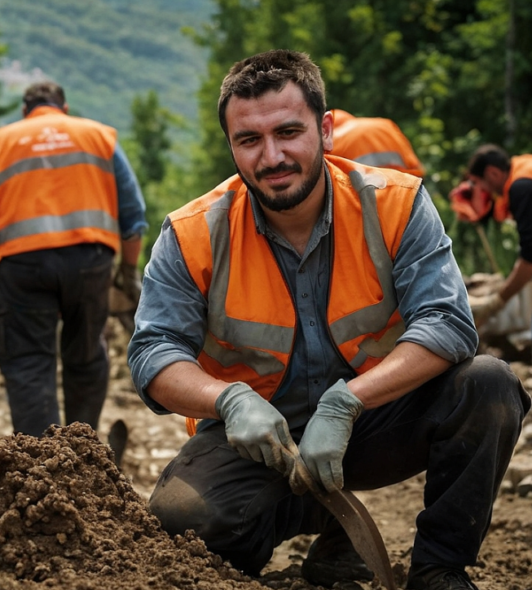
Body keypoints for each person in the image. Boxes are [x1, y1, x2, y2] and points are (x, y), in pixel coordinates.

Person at [127, 50, 528, 590]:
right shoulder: (193, 233)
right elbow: (154, 354)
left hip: (372, 418)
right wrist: (229, 399)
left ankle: (439, 568)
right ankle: (320, 518)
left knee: (489, 385)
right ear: (232, 146)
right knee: (181, 524)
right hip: (258, 437)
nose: (272, 156)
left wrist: (347, 402)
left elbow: (448, 323)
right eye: (249, 140)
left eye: (289, 132)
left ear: (326, 128)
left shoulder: (396, 204)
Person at [0, 81, 147, 437]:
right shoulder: (98, 136)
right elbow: (133, 217)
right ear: (65, 107)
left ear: (24, 112)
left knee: (28, 361)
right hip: (91, 261)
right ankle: (81, 448)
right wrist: (129, 272)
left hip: (23, 266)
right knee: (87, 354)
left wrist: (0, 246)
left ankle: (40, 460)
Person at [465, 144, 532, 324]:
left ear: (493, 173)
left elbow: (529, 260)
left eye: (480, 184)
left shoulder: (521, 187)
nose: (483, 192)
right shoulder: (523, 169)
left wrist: (497, 302)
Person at [328, 109, 425, 177]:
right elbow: (415, 165)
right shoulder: (385, 125)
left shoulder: (332, 141)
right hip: (404, 187)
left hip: (364, 192)